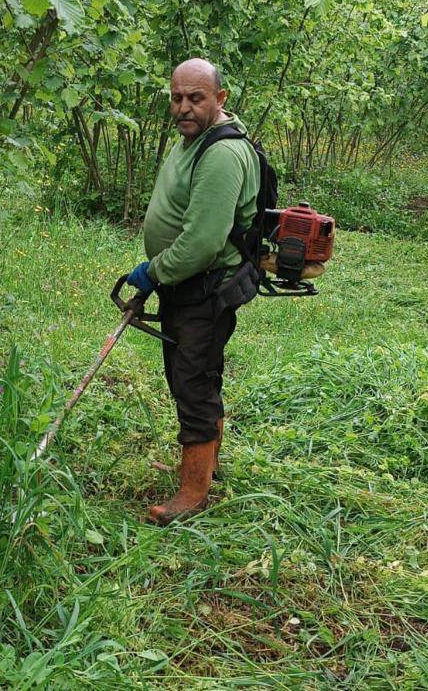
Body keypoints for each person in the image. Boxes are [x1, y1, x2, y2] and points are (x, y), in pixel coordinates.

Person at [127, 58, 260, 525]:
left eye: (196, 97)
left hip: (203, 289)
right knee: (198, 376)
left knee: (192, 383)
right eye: (177, 97)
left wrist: (153, 272)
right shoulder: (191, 140)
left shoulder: (222, 154)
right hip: (185, 287)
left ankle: (193, 493)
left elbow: (203, 242)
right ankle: (208, 467)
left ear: (220, 99)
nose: (184, 107)